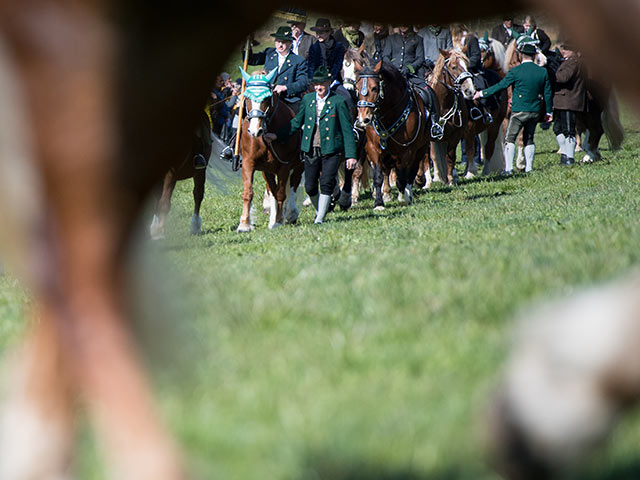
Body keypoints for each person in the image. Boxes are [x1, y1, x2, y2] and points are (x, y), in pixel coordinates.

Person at [264, 66, 357, 224]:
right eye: (316, 85)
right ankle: (321, 209)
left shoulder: (338, 101)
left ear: (328, 83)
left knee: (327, 183)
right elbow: (296, 122)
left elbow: (347, 130)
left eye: (322, 84)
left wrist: (351, 155)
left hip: (331, 149)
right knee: (310, 186)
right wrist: (277, 135)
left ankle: (320, 218)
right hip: (310, 149)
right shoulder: (308, 100)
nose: (319, 88)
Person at [473, 35, 553, 174]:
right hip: (535, 111)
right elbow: (547, 93)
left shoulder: (515, 71)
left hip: (518, 111)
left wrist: (482, 94)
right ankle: (529, 168)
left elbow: (501, 85)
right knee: (529, 139)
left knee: (509, 139)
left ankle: (509, 169)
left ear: (521, 55)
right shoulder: (542, 71)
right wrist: (548, 112)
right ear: (534, 55)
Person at [246, 26, 309, 113]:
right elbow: (251, 60)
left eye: (284, 42)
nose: (280, 45)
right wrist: (246, 46)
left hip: (288, 100)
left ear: (290, 43)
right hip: (267, 98)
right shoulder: (269, 53)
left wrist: (285, 87)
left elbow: (303, 83)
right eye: (278, 41)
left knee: (296, 119)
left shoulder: (298, 61)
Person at [553, 41, 587, 166]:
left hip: (569, 100)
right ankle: (565, 155)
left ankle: (570, 157)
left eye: (567, 49)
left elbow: (563, 78)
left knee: (569, 131)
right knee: (557, 129)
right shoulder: (569, 61)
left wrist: (551, 71)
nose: (563, 51)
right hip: (562, 101)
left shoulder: (573, 62)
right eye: (563, 49)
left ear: (573, 50)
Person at [307, 18, 346, 85]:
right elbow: (311, 66)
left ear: (329, 32)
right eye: (317, 33)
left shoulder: (338, 47)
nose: (318, 36)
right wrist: (312, 81)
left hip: (333, 80)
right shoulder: (314, 47)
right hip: (317, 80)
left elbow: (337, 66)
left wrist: (330, 80)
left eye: (321, 33)